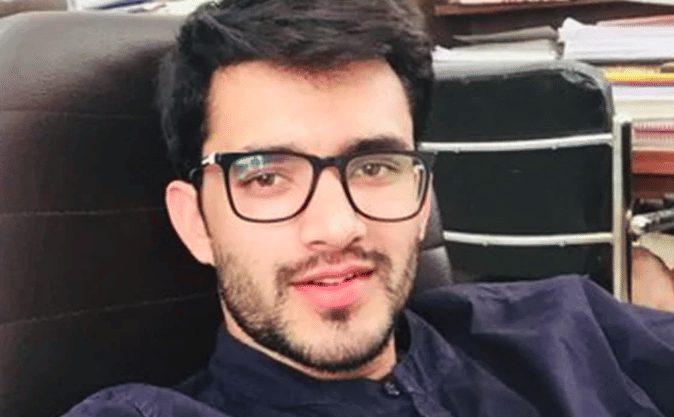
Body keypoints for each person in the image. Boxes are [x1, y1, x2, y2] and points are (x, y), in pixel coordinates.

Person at [63, 0, 674, 416]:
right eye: (267, 176)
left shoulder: (574, 331)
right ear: (196, 222)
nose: (337, 228)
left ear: (423, 197)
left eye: (374, 167)